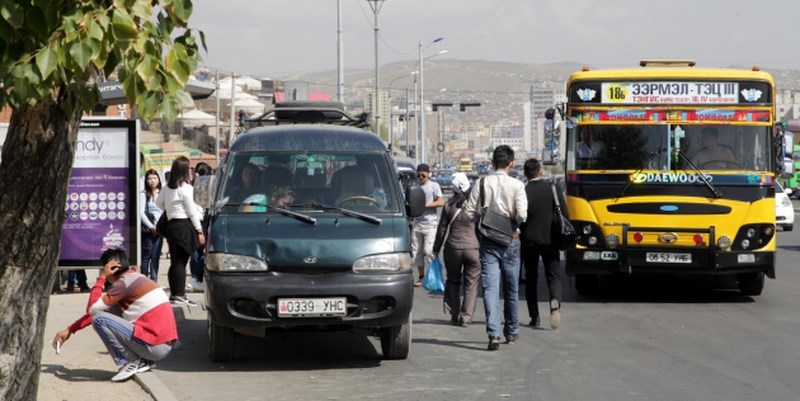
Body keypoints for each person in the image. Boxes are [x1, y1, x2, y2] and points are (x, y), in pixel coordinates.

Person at [51, 248, 178, 382]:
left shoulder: (124, 283)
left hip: (155, 346)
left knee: (99, 320)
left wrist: (101, 278)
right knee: (105, 314)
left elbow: (92, 309)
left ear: (110, 269)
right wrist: (70, 329)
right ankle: (141, 360)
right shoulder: (135, 278)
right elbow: (100, 310)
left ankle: (131, 361)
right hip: (160, 345)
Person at [464, 145, 528, 350]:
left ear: (492, 163)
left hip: (488, 241)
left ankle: (494, 335)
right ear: (511, 163)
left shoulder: (481, 183)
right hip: (511, 240)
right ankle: (512, 331)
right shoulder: (517, 185)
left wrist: (484, 216)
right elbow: (523, 215)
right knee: (511, 289)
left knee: (490, 289)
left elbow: (467, 213)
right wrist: (509, 221)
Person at [520, 158, 564, 330]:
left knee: (531, 279)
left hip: (529, 241)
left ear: (525, 174)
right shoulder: (553, 189)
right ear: (540, 171)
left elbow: (520, 218)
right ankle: (555, 302)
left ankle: (534, 317)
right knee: (553, 276)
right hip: (550, 239)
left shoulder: (523, 191)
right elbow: (564, 213)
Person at [156, 156, 205, 306]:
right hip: (184, 226)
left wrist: (171, 209)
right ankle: (180, 295)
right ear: (185, 170)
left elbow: (159, 203)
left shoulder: (167, 188)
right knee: (181, 262)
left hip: (171, 226)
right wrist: (199, 231)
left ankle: (174, 294)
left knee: (175, 261)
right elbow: (192, 212)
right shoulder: (186, 188)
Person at [432, 172, 480, 327]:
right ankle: (465, 317)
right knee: (471, 284)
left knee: (453, 280)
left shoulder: (448, 205)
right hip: (473, 249)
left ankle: (454, 314)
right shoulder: (475, 205)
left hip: (452, 249)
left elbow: (442, 230)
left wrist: (435, 249)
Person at [411, 163, 444, 287]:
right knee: (416, 253)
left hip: (430, 224)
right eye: (418, 174)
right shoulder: (415, 187)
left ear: (428, 174)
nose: (420, 177)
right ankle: (421, 277)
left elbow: (441, 201)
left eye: (423, 175)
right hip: (417, 223)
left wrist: (424, 205)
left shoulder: (434, 186)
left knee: (428, 251)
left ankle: (435, 276)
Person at [188, 162, 212, 292]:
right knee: (199, 252)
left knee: (199, 252)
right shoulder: (193, 187)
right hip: (199, 222)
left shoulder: (203, 186)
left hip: (201, 221)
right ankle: (195, 278)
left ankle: (196, 277)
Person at [139, 169, 163, 281]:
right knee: (146, 256)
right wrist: (151, 226)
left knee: (156, 256)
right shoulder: (143, 194)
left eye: (154, 178)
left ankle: (154, 279)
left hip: (160, 229)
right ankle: (144, 279)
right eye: (149, 179)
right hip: (148, 230)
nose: (152, 181)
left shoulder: (162, 193)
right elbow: (141, 212)